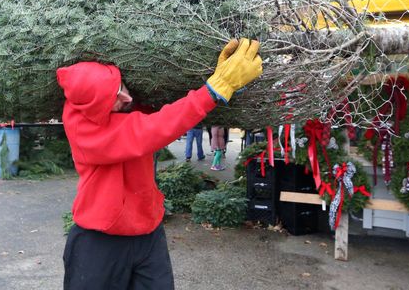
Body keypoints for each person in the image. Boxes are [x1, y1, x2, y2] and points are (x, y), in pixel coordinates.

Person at [56, 38, 262, 289]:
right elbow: (153, 128)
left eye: (120, 85)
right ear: (93, 106)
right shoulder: (84, 131)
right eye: (112, 97)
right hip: (99, 243)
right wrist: (214, 88)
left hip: (147, 234)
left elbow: (172, 111)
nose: (125, 97)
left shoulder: (124, 108)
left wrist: (219, 79)